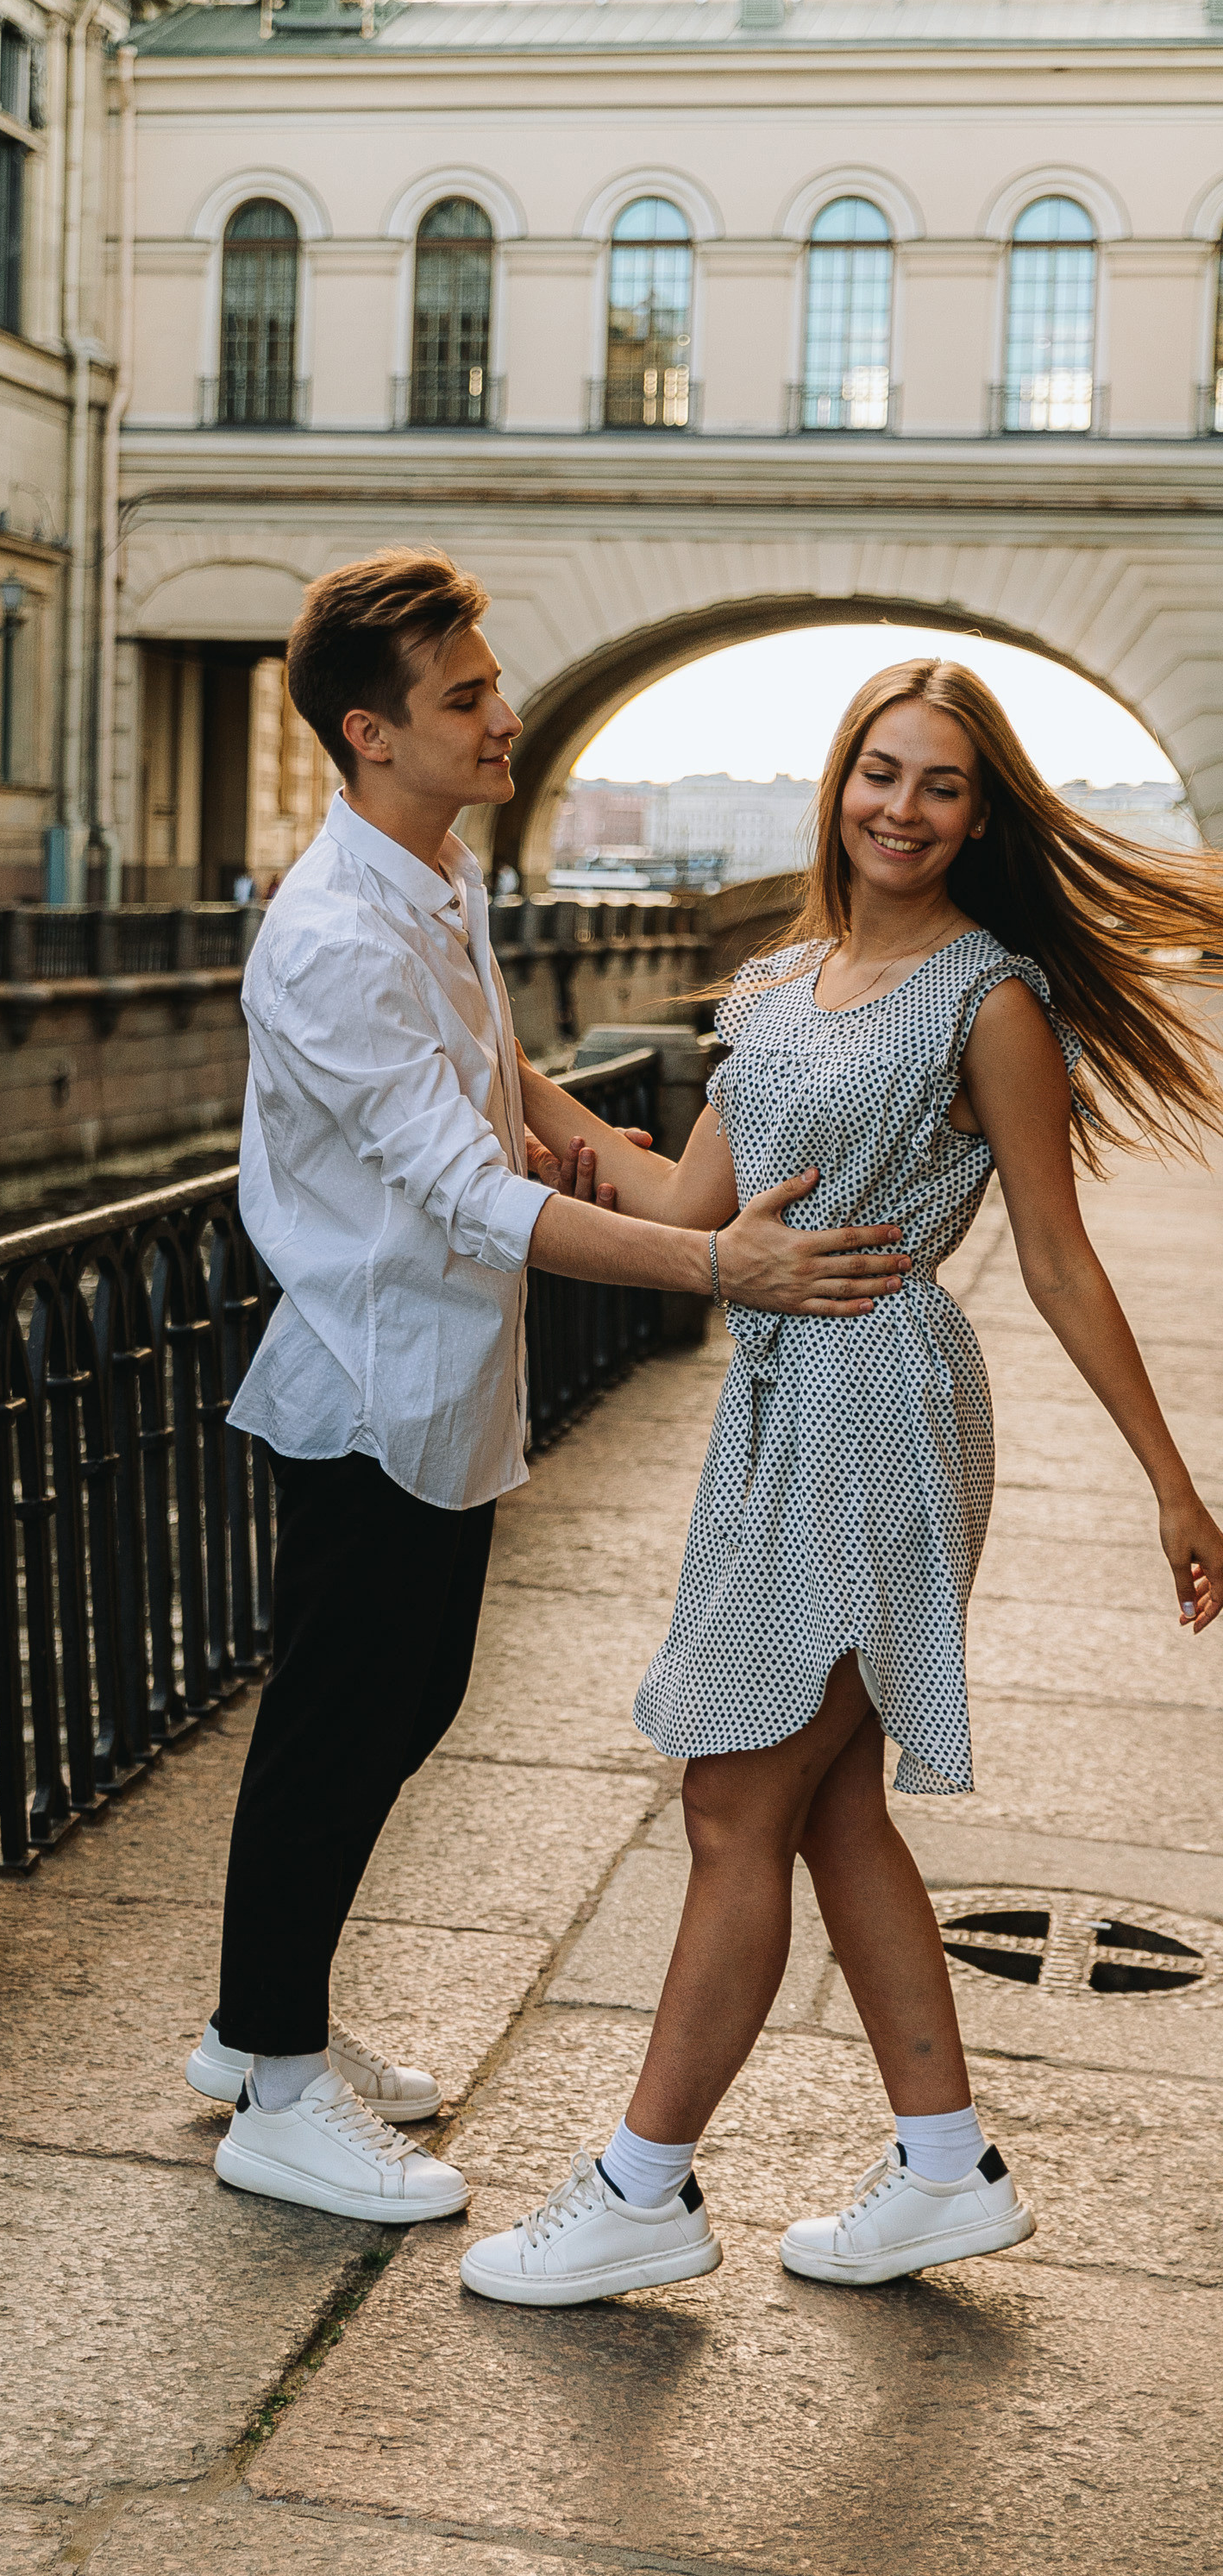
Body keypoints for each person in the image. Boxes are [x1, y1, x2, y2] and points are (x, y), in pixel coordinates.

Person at [461, 657, 1223, 2303]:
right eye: (881, 771)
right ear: (839, 784)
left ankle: (640, 2187)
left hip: (883, 1399)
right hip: (779, 1403)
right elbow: (693, 1205)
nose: (903, 805)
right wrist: (523, 1085)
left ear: (980, 812)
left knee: (735, 1800)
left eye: (942, 784)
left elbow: (1061, 1261)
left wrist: (1174, 1480)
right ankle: (944, 2166)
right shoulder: (777, 987)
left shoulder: (989, 997)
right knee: (827, 1805)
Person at [186, 548, 913, 2227]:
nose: (501, 715)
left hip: (441, 1372)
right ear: (369, 734)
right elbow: (472, 1197)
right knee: (341, 1721)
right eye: (462, 699)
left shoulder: (428, 879)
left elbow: (495, 1075)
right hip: (368, 1374)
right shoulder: (326, 939)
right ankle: (276, 2097)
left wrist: (593, 1138)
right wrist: (715, 1260)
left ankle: (254, 2028)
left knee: (387, 1705)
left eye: (489, 685)